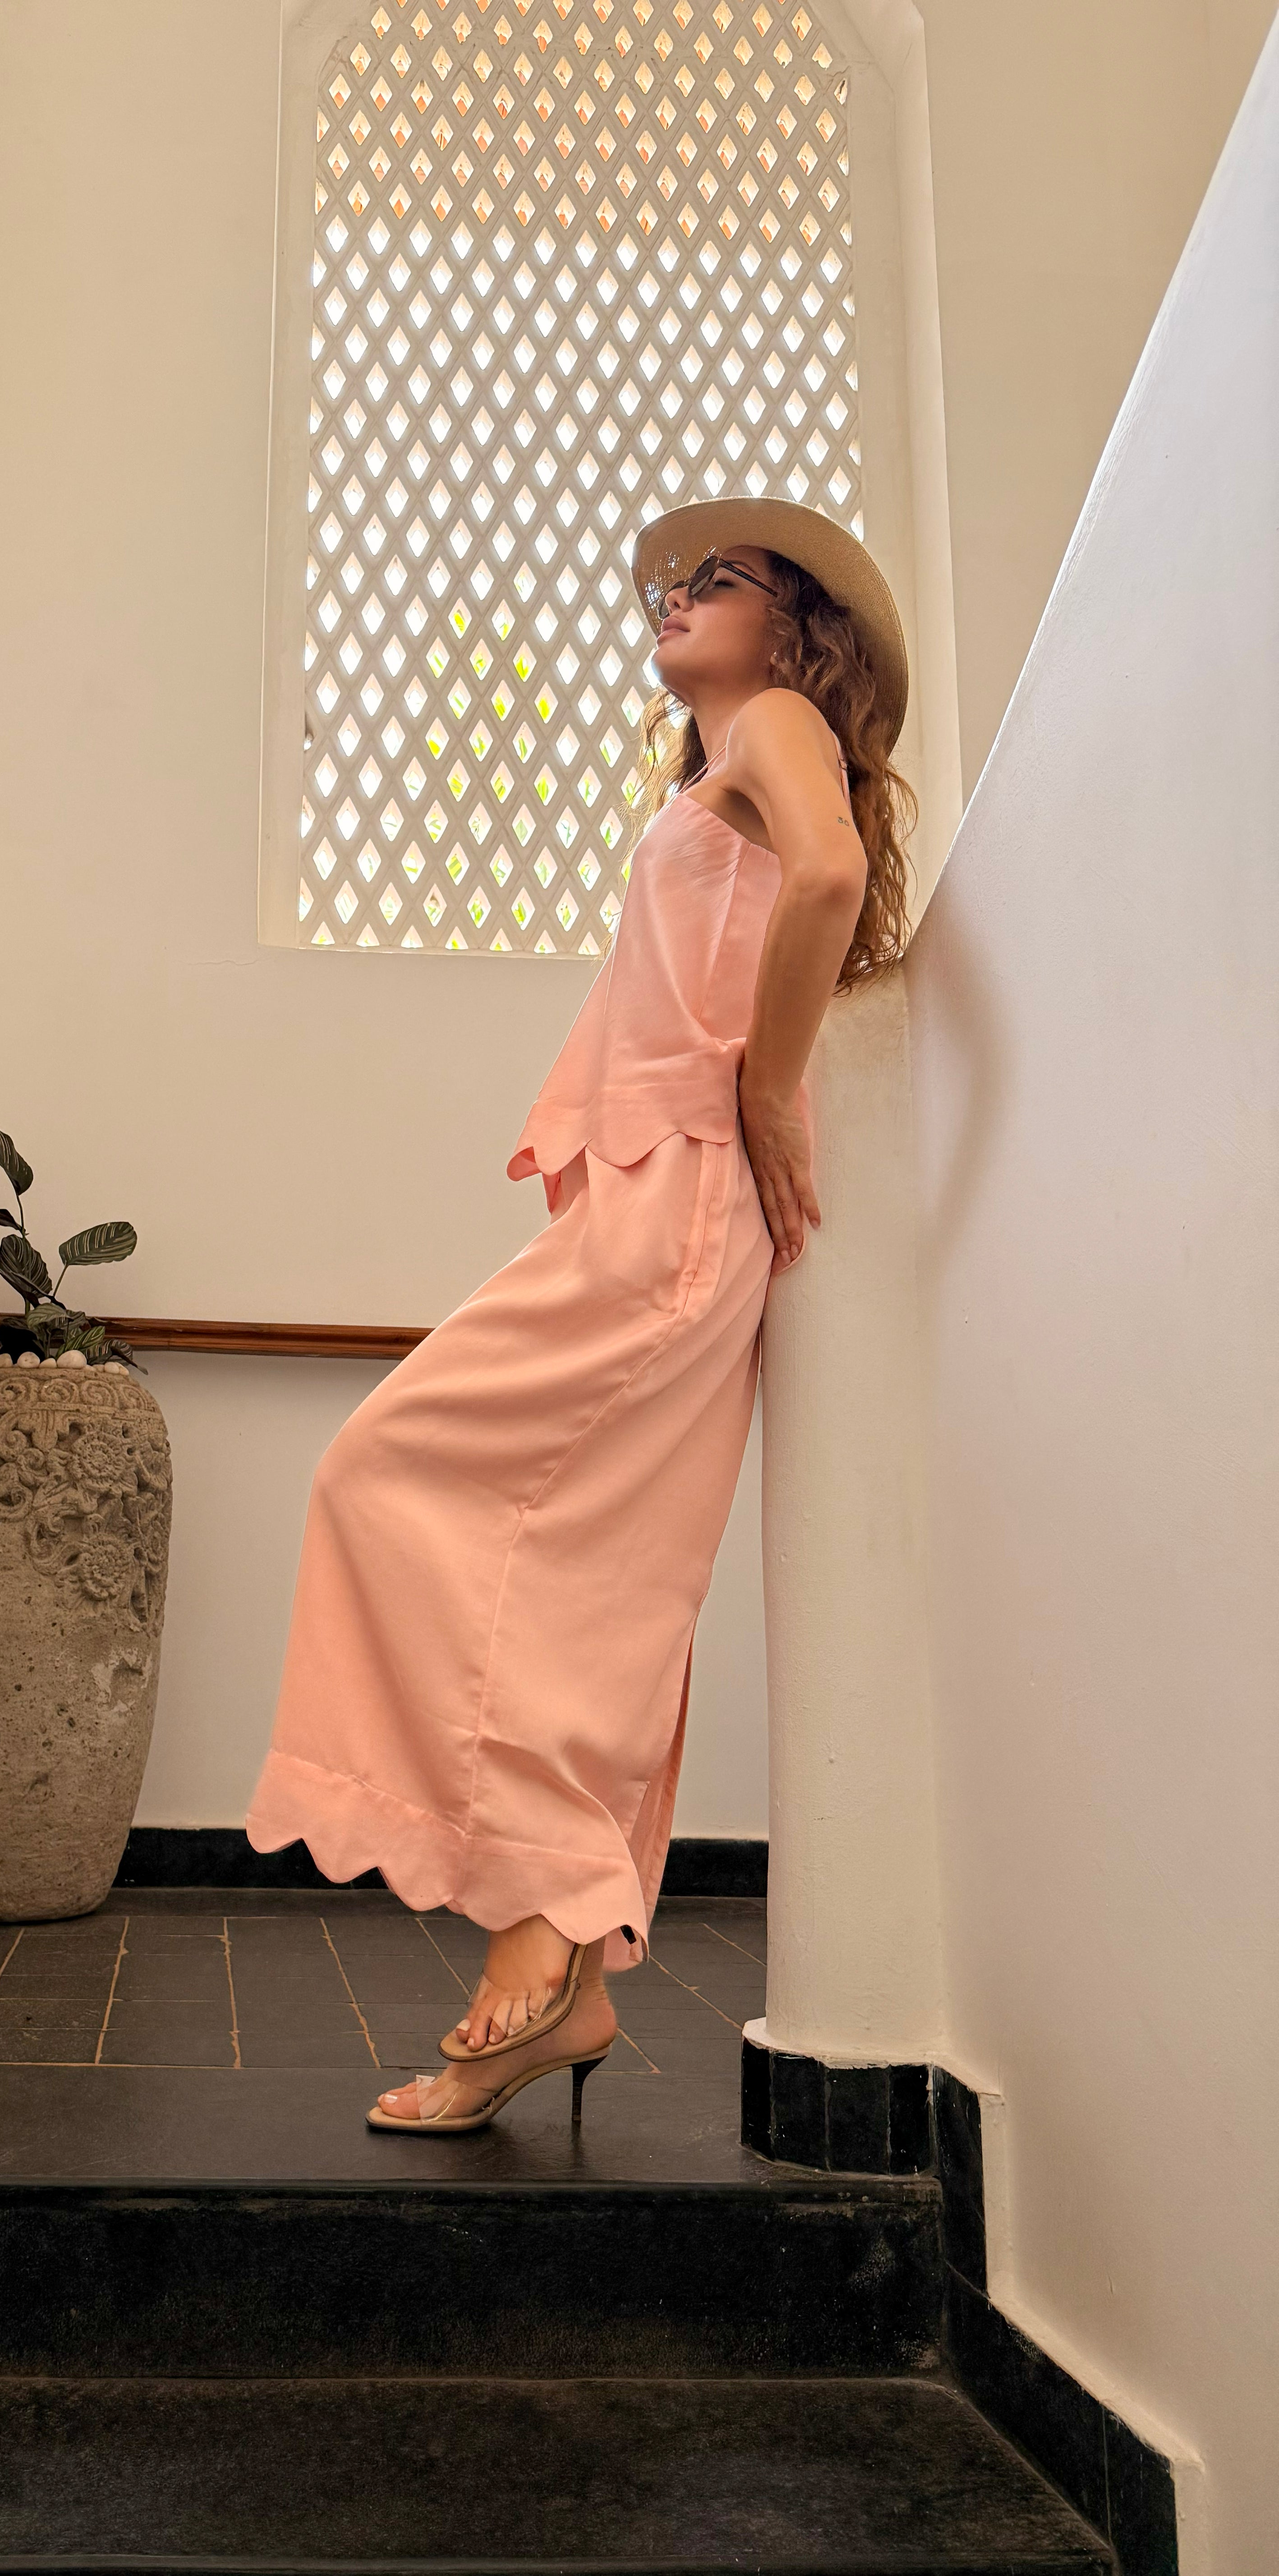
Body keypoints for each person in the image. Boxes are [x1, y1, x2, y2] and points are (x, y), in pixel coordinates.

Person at [245, 499, 916, 2131]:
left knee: (401, 1482)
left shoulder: (774, 721)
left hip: (675, 1205)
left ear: (794, 622)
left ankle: (543, 1931)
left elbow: (828, 873)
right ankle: (556, 1967)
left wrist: (765, 1087)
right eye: (667, 584)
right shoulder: (721, 759)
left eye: (714, 579)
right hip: (653, 1201)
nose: (672, 598)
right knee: (590, 1567)